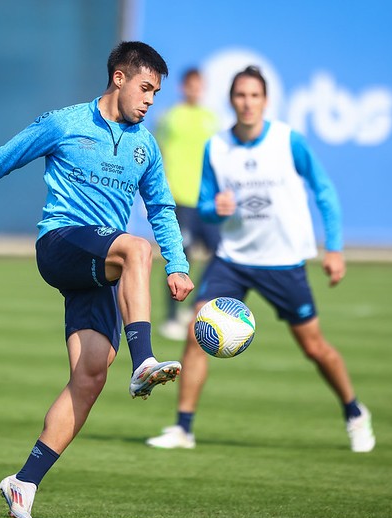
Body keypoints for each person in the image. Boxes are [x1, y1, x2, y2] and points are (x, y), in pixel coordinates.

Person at [0, 41, 194, 518]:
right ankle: (144, 360)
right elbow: (2, 160)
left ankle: (24, 481)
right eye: (146, 88)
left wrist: (180, 263)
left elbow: (162, 209)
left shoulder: (145, 146)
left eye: (156, 92)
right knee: (137, 249)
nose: (151, 100)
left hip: (99, 267)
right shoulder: (64, 123)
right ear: (119, 78)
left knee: (91, 375)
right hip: (61, 245)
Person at [145, 66, 375, 454]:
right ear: (231, 100)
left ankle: (354, 412)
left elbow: (324, 190)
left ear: (266, 100)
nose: (247, 103)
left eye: (254, 95)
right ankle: (183, 428)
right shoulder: (217, 147)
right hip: (232, 259)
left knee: (314, 347)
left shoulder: (288, 141)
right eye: (240, 95)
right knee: (197, 332)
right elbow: (205, 205)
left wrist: (334, 248)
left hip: (283, 261)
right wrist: (215, 209)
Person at [154, 68, 220, 341]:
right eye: (190, 85)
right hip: (179, 198)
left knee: (221, 254)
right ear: (183, 87)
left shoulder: (211, 119)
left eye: (199, 85)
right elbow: (156, 153)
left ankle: (196, 306)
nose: (194, 90)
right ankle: (171, 318)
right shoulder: (170, 118)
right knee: (181, 258)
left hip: (205, 201)